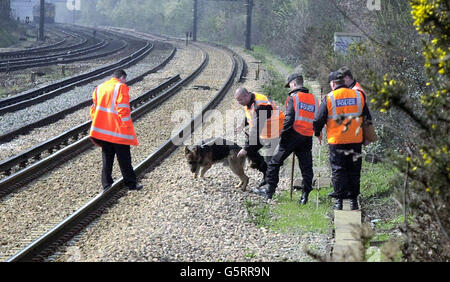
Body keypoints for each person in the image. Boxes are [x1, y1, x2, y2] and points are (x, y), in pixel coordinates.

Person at [313, 70, 373, 210]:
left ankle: (338, 201)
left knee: (338, 170)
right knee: (354, 170)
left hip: (337, 140)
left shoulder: (330, 97)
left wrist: (317, 133)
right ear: (344, 81)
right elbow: (367, 118)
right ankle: (353, 201)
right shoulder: (359, 95)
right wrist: (368, 137)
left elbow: (317, 119)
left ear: (333, 83)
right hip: (355, 139)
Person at [254, 74, 318, 202]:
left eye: (289, 86)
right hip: (307, 136)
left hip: (292, 134)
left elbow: (289, 118)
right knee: (306, 167)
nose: (289, 89)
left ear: (293, 84)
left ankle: (269, 190)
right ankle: (305, 196)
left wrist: (283, 134)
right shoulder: (314, 99)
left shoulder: (294, 98)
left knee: (274, 161)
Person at [89, 69, 142, 191]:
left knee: (107, 158)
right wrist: (127, 127)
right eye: (125, 80)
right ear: (122, 78)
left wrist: (99, 123)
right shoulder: (121, 87)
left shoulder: (100, 87)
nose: (125, 82)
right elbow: (123, 109)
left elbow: (93, 109)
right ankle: (131, 184)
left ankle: (106, 184)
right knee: (124, 159)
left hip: (102, 130)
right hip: (118, 131)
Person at [234, 87, 285, 188]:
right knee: (250, 151)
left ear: (246, 96)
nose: (239, 103)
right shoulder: (249, 101)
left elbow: (256, 128)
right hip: (263, 132)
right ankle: (266, 174)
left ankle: (270, 188)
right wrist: (243, 125)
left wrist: (245, 148)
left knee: (270, 160)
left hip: (274, 132)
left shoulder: (260, 105)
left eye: (240, 100)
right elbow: (251, 114)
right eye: (237, 100)